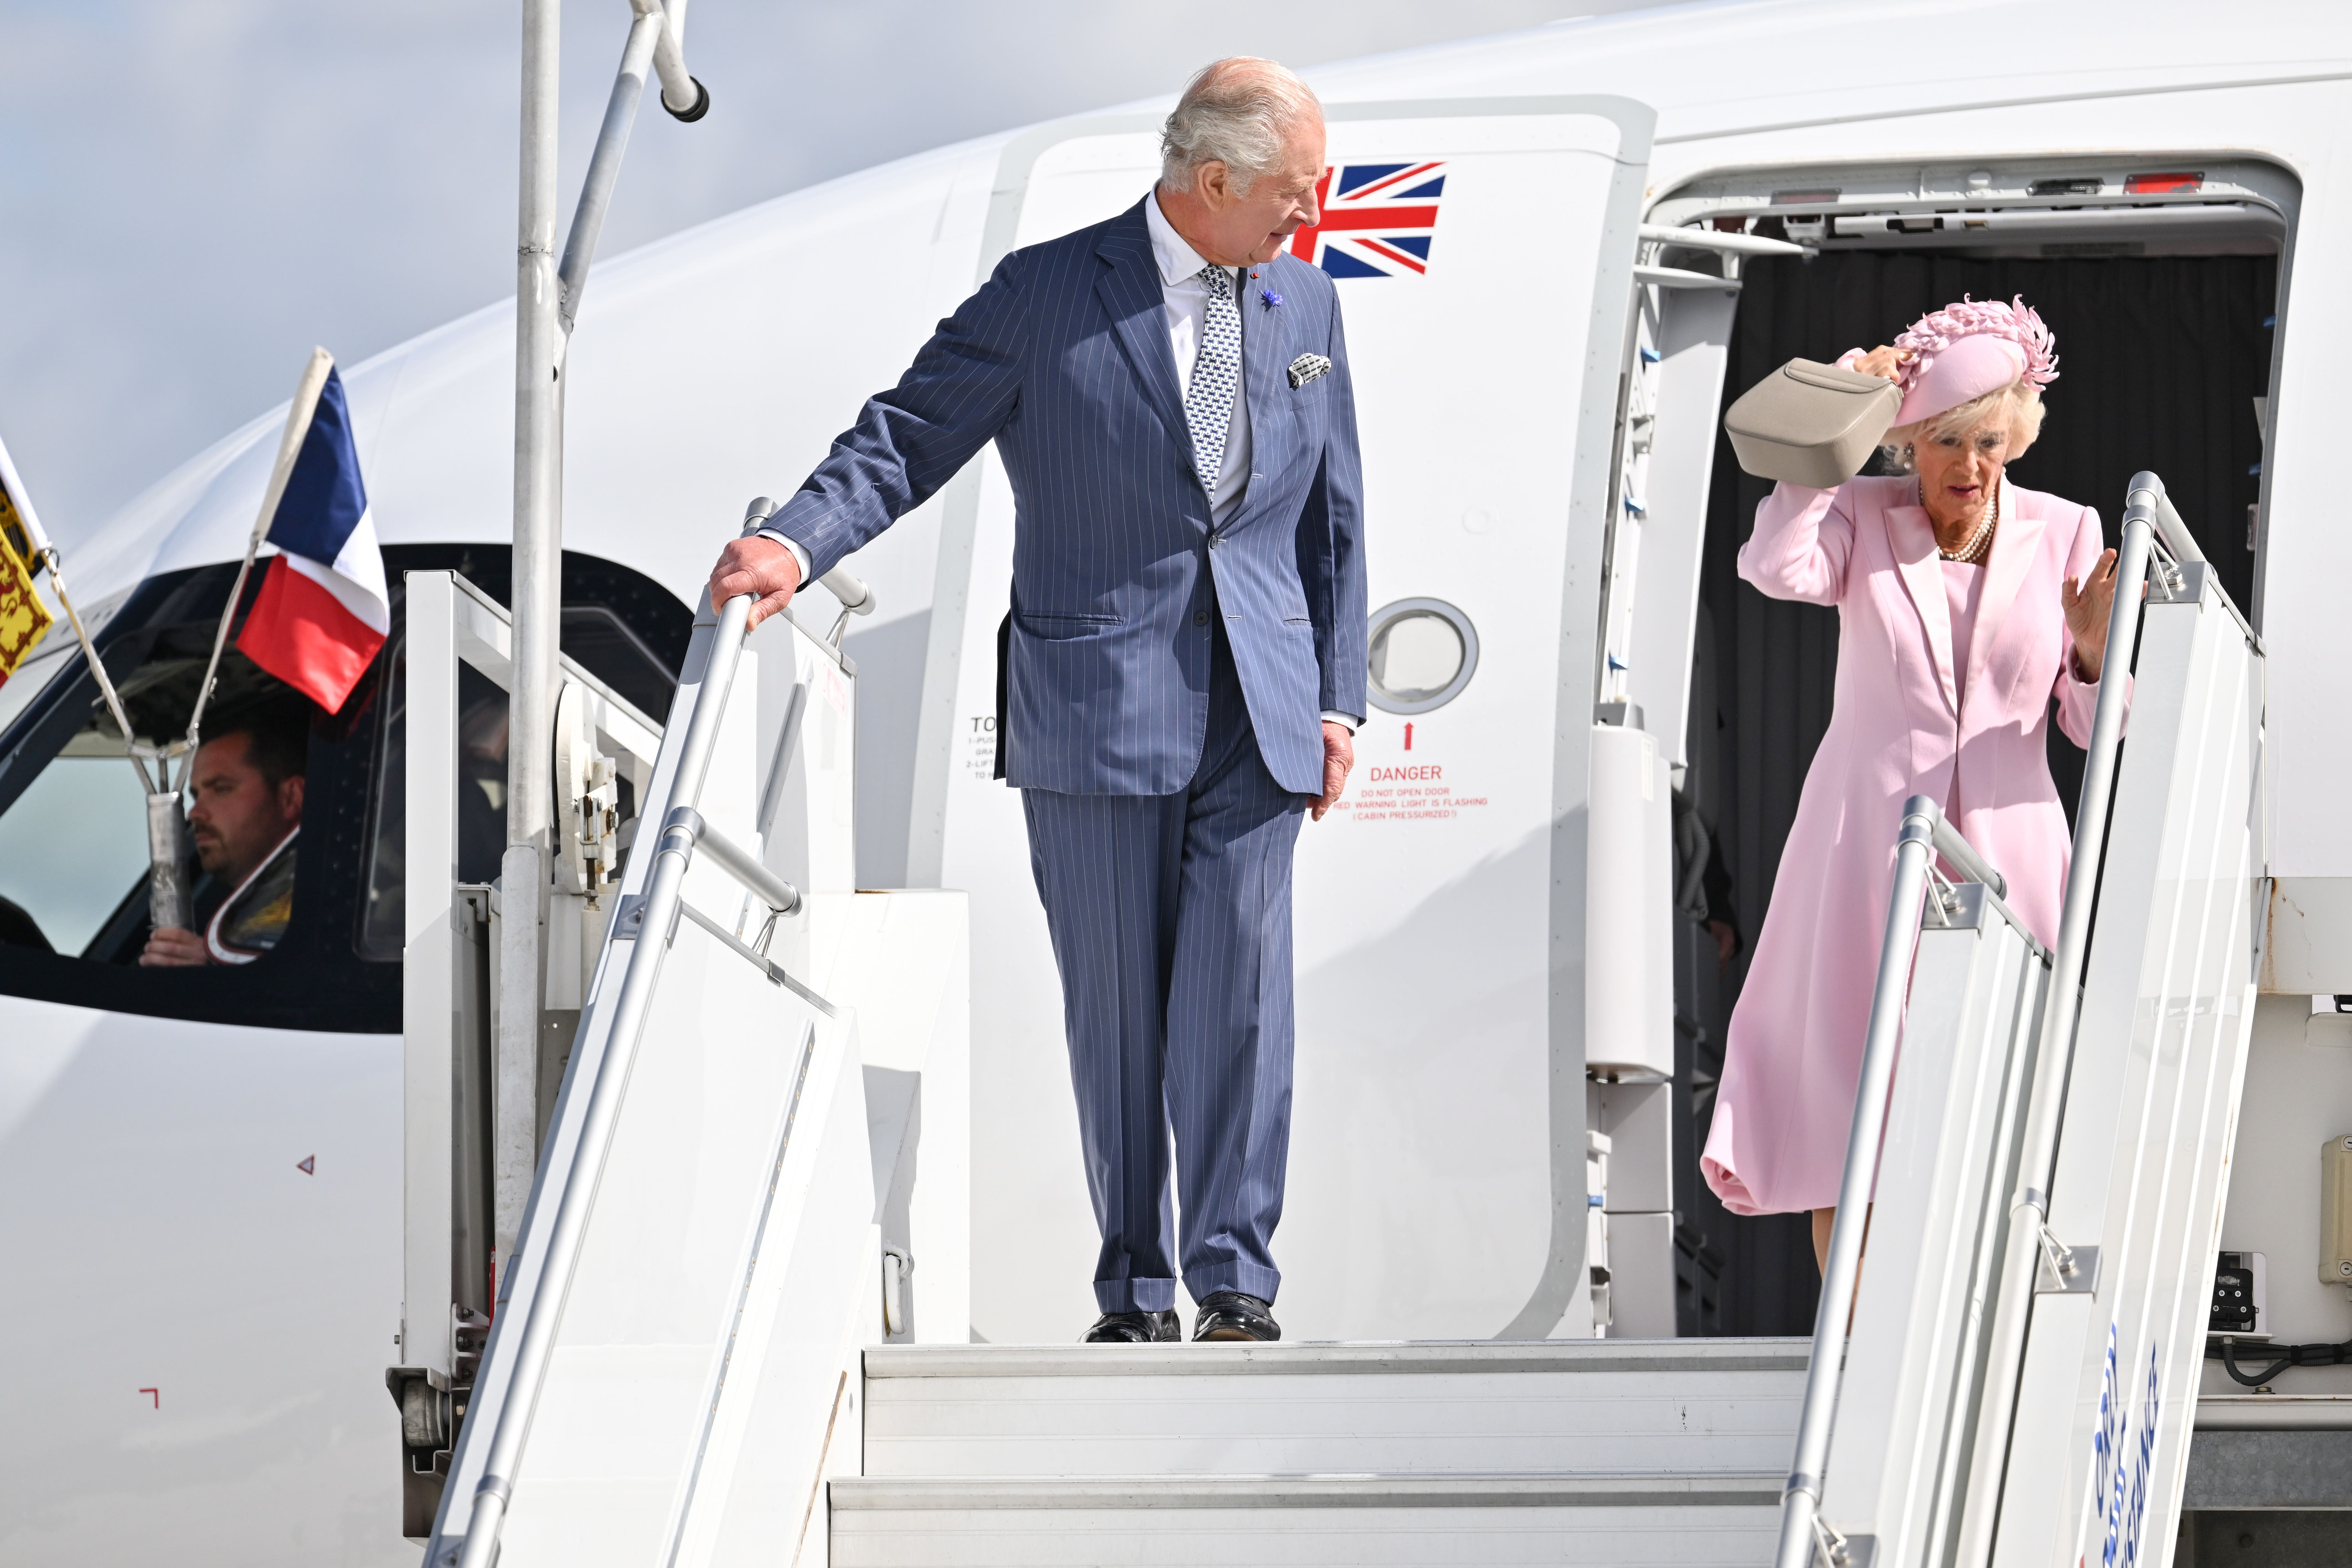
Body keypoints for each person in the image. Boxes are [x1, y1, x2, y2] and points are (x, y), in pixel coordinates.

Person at [704, 58, 1365, 1342]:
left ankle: (1236, 1274)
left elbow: (1335, 518)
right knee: (1117, 1004)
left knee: (1240, 990)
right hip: (1097, 698)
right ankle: (1135, 1283)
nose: (1312, 212)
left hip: (1262, 702)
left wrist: (1336, 701)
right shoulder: (1047, 295)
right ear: (1213, 180)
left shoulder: (1308, 305)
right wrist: (798, 543)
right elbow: (906, 435)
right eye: (1296, 189)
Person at [1699, 296, 2120, 1270]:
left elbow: (2095, 728)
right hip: (1864, 845)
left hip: (2013, 853)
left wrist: (2095, 656)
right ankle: (1852, 1354)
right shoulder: (1854, 514)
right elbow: (1771, 565)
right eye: (1943, 442)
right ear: (1904, 444)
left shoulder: (2064, 532)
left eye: (1988, 442)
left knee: (2005, 1104)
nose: (1969, 468)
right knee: (1855, 1110)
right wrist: (1840, 406)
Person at [139, 715, 306, 967]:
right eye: (196, 795)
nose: (195, 813)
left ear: (291, 798)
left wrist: (220, 969)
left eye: (221, 789)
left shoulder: (325, 898)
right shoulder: (247, 912)